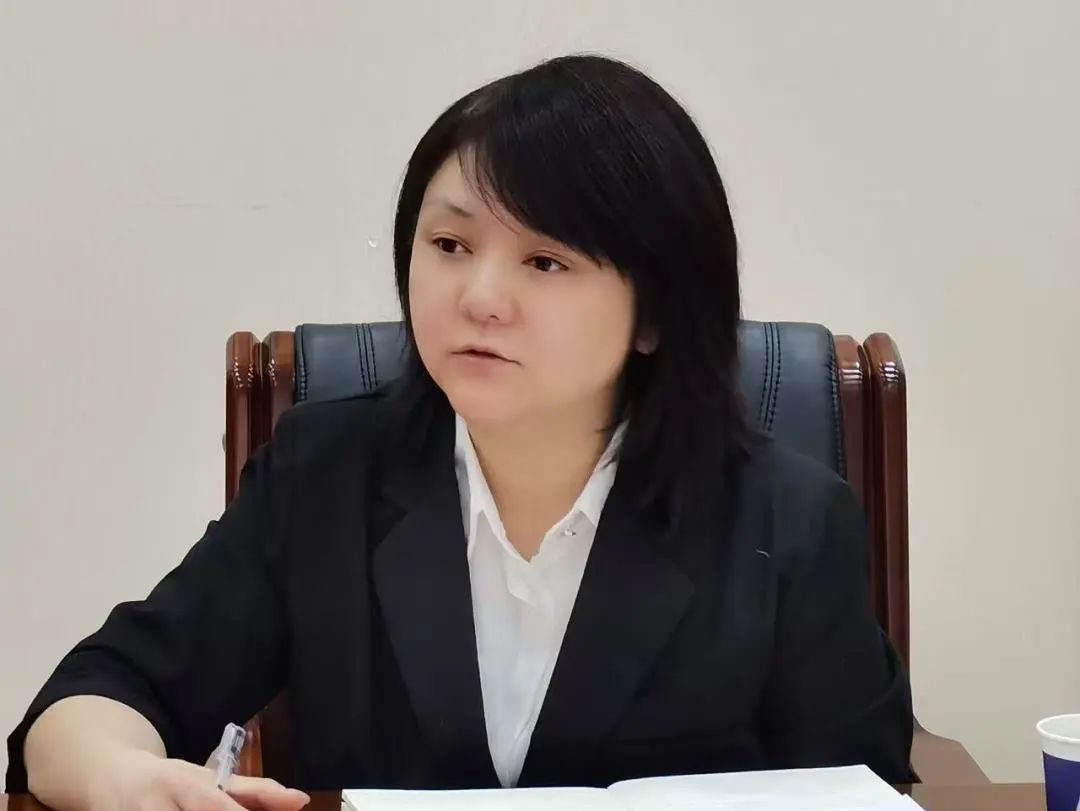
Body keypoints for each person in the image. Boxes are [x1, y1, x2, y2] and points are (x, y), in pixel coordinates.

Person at [7, 54, 913, 811]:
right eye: (450, 246)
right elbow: (96, 696)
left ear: (655, 313)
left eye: (545, 260)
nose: (479, 297)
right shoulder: (324, 478)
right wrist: (123, 775)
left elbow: (865, 789)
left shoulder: (788, 522)